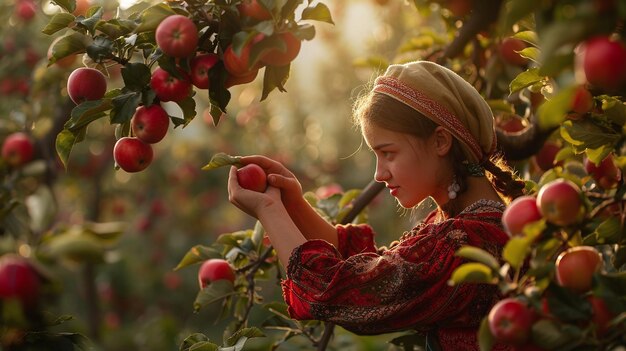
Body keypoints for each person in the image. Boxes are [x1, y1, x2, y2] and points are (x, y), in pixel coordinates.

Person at [227, 61, 525, 350]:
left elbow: (344, 293)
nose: (379, 174)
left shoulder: (465, 244)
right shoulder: (473, 224)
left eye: (388, 153)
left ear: (440, 142)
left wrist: (269, 210)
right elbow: (374, 269)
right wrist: (293, 204)